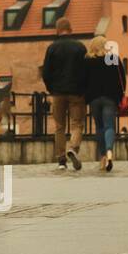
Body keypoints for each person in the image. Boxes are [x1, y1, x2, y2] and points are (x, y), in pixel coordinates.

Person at [41, 17, 88, 171]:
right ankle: (73, 148)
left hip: (58, 93)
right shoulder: (80, 48)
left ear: (57, 30)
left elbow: (46, 72)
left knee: (59, 126)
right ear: (71, 29)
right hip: (77, 93)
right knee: (77, 124)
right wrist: (84, 89)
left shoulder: (52, 48)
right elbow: (86, 71)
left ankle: (61, 160)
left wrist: (51, 88)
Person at [82, 36, 125, 172]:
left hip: (94, 99)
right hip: (110, 98)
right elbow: (122, 79)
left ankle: (102, 159)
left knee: (99, 127)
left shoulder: (88, 61)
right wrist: (119, 96)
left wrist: (86, 96)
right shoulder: (112, 59)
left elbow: (83, 80)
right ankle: (109, 153)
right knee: (109, 126)